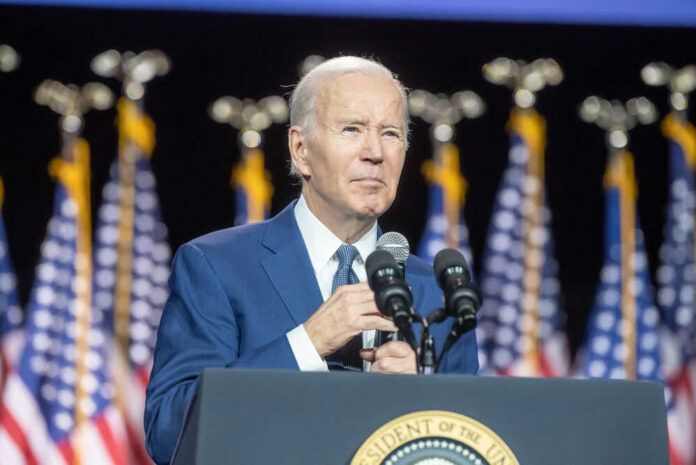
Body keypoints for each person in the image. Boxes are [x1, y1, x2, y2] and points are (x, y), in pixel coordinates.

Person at [144, 56, 479, 465]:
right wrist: (308, 344)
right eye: (352, 129)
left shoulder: (437, 290)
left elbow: (472, 444)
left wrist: (420, 396)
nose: (374, 152)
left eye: (390, 133)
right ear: (301, 149)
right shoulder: (215, 266)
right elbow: (168, 434)